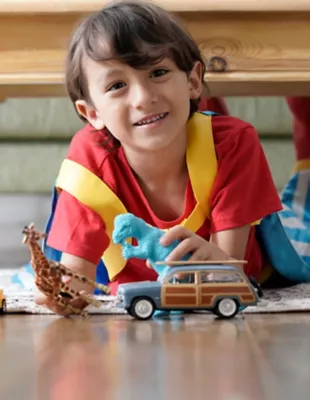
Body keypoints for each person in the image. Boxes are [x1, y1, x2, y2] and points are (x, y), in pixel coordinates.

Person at [35, 0, 282, 316]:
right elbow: (76, 283)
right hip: (136, 298)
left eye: (158, 72)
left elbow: (227, 277)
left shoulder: (232, 143)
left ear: (194, 81)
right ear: (91, 113)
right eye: (117, 85)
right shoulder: (88, 163)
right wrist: (62, 294)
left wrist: (217, 263)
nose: (143, 98)